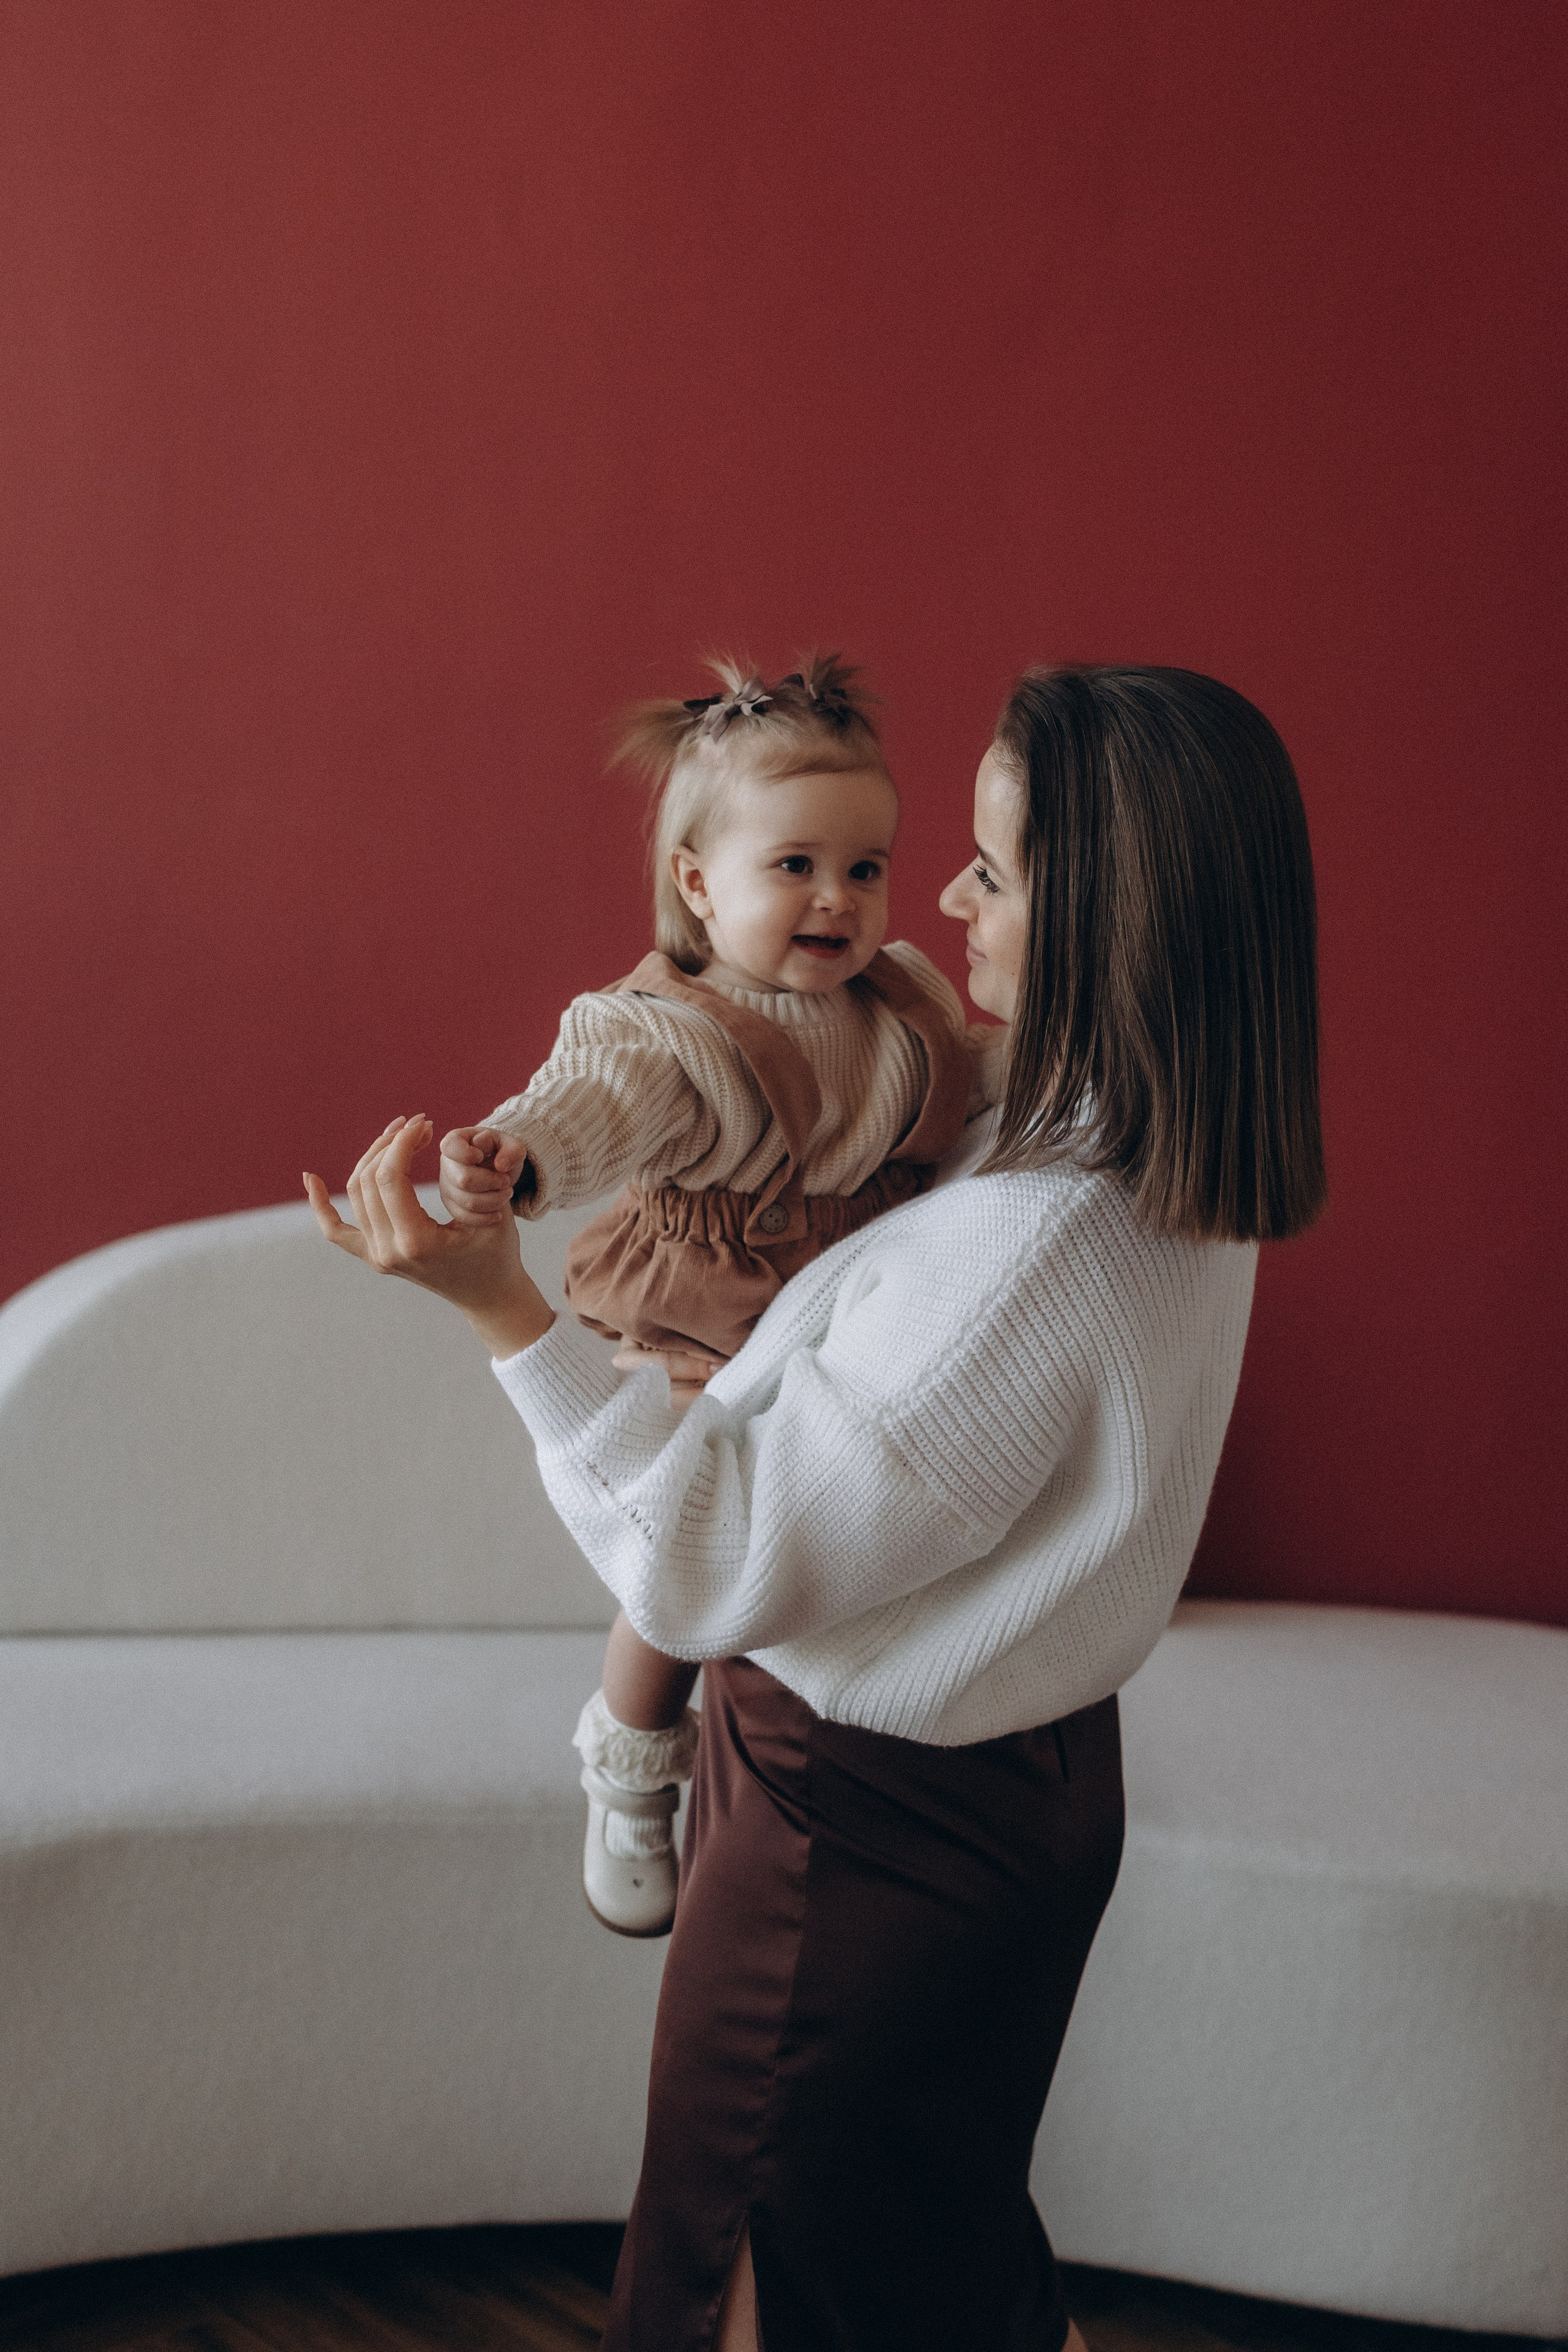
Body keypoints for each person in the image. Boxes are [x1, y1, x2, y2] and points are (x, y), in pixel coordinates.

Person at [306, 663, 1325, 2352]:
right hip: (1037, 1787)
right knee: (937, 2243)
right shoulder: (1141, 1150)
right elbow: (640, 1082)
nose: (934, 900)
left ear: (1108, 912)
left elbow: (704, 1564)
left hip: (864, 1831)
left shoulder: (1031, 1254)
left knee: (759, 2261)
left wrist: (506, 1306)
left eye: (987, 869)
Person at [432, 653, 994, 1934]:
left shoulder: (895, 1003)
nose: (834, 901)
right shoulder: (676, 1031)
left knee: (875, 1509)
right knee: (687, 1550)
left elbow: (971, 1084)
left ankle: (864, 1713)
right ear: (696, 879)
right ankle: (631, 1753)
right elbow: (603, 1101)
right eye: (792, 866)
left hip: (857, 1298)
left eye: (862, 869)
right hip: (711, 1309)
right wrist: (520, 1157)